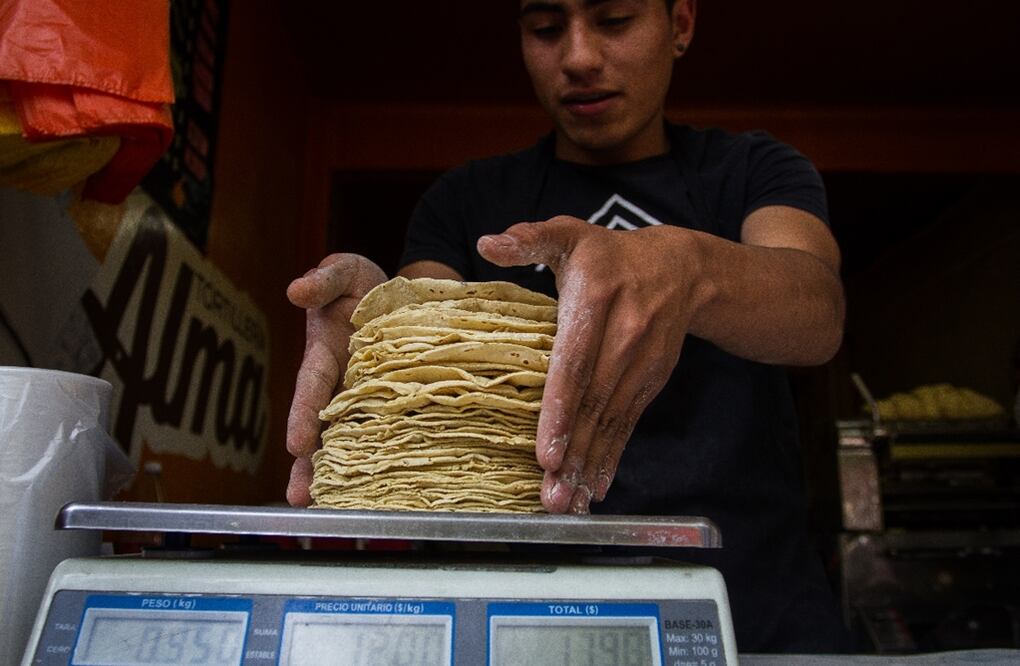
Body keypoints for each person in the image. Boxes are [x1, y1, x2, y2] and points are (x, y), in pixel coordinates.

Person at [286, 0, 851, 653]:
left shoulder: (752, 172)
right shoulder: (470, 201)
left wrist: (690, 268)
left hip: (752, 608)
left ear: (681, 24)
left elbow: (818, 310)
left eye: (613, 19)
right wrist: (377, 325)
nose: (578, 58)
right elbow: (423, 312)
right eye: (546, 27)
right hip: (518, 614)